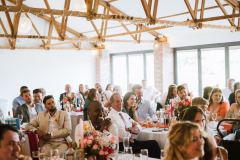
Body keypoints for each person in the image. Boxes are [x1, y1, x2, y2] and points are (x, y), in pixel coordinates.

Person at [108, 93, 160, 158]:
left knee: (154, 143)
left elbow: (138, 126)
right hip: (122, 145)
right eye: (117, 101)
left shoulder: (124, 114)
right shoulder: (110, 117)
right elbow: (122, 134)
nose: (120, 103)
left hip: (131, 141)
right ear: (111, 103)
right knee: (153, 145)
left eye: (121, 101)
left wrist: (130, 129)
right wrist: (132, 131)